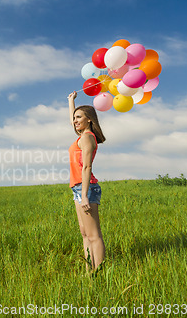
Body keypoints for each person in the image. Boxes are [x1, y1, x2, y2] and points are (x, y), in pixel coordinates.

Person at [67, 91, 106, 273]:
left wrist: (84, 195)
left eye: (79, 117)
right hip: (78, 187)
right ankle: (89, 269)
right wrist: (71, 102)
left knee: (93, 234)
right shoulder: (81, 136)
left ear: (89, 119)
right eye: (74, 117)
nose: (75, 121)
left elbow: (87, 167)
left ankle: (98, 273)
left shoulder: (88, 138)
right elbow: (72, 122)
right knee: (84, 233)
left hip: (87, 188)